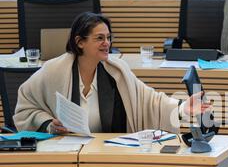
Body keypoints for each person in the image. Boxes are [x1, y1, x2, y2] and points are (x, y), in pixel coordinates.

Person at [14, 12, 210, 134]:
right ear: (80, 42)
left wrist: (183, 108)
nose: (107, 43)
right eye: (99, 38)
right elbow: (25, 108)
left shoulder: (117, 71)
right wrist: (49, 124)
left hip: (105, 154)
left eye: (108, 37)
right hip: (63, 156)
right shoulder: (53, 71)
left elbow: (151, 102)